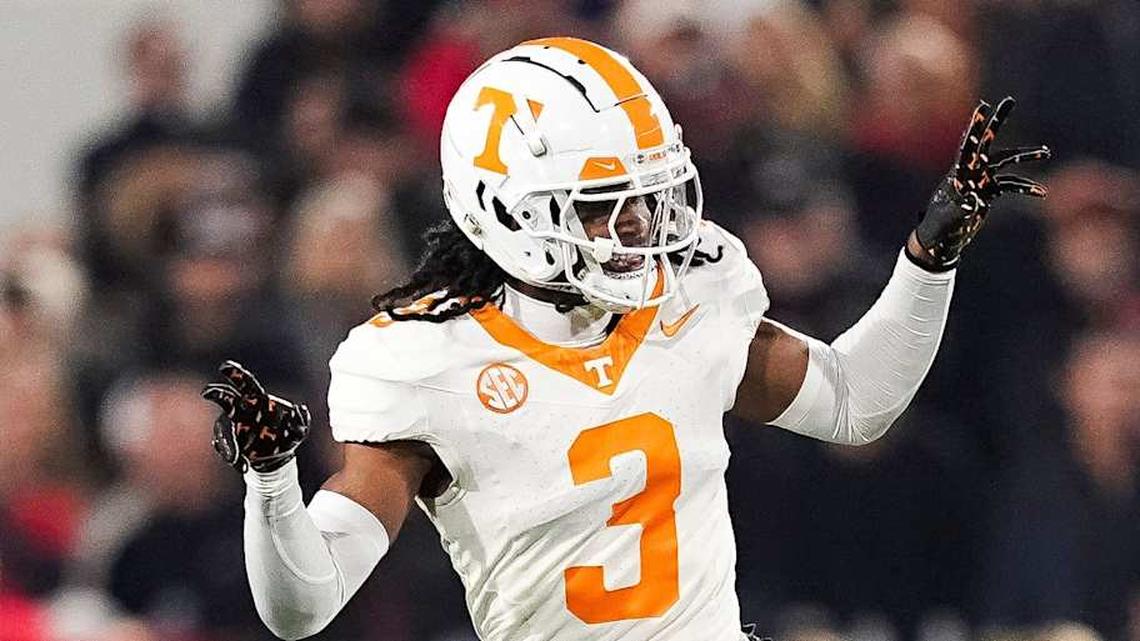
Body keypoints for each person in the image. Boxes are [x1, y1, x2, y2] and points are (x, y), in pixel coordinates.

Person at [201, 37, 1048, 641]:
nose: (641, 226)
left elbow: (855, 403)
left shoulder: (691, 291)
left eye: (648, 195)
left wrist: (929, 258)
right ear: (506, 211)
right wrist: (272, 483)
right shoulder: (426, 358)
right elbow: (304, 606)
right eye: (603, 205)